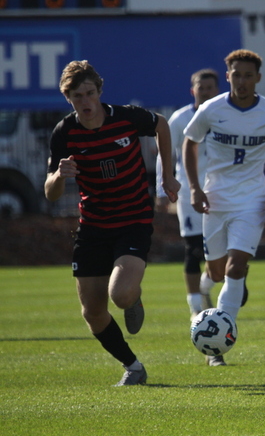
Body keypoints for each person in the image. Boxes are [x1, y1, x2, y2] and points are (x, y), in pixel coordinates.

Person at [44, 60, 180, 387]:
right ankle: (132, 366)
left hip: (133, 218)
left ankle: (132, 296)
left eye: (90, 93)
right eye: (77, 96)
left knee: (120, 294)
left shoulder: (126, 117)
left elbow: (161, 125)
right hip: (93, 225)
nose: (85, 102)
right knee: (92, 311)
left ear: (100, 92)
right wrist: (60, 176)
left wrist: (168, 176)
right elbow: (50, 192)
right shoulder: (65, 132)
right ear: (69, 99)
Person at [183, 49, 265, 366]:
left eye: (248, 75)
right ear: (228, 75)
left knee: (236, 269)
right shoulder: (211, 109)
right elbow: (190, 142)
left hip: (251, 202)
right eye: (236, 74)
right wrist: (194, 187)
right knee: (216, 272)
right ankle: (206, 290)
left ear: (258, 78)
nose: (242, 80)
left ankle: (217, 346)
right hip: (215, 199)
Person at [156, 68, 220, 321]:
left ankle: (205, 287)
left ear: (217, 90)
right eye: (200, 88)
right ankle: (196, 305)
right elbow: (166, 155)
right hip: (189, 193)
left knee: (221, 250)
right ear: (192, 90)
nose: (204, 92)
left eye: (209, 88)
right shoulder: (180, 119)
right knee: (194, 248)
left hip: (221, 191)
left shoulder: (225, 116)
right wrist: (163, 189)